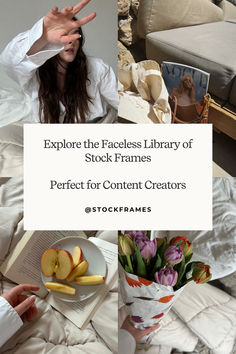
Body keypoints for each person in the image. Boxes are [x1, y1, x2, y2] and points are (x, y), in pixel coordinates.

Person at [0, 0, 118, 123]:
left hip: (98, 127)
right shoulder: (34, 73)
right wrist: (42, 37)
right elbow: (9, 62)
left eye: (75, 35)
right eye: (64, 36)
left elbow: (118, 102)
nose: (71, 41)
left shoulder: (98, 67)